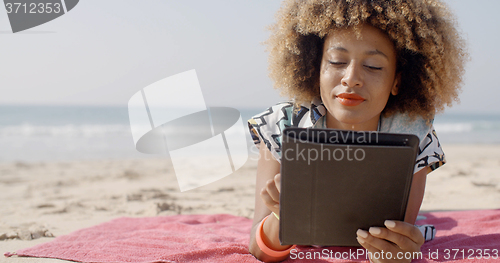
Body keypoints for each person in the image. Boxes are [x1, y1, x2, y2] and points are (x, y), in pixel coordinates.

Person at [247, 0, 468, 262]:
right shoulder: (282, 126)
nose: (351, 78)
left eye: (373, 66)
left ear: (397, 81)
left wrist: (396, 252)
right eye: (337, 61)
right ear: (316, 68)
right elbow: (259, 248)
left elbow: (393, 241)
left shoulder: (412, 136)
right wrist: (281, 216)